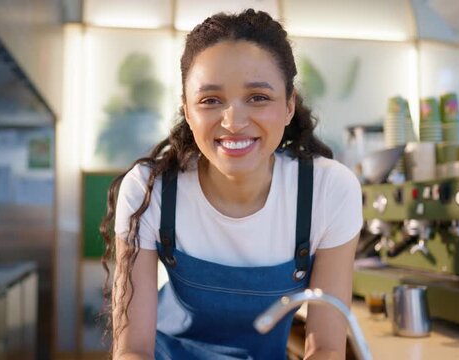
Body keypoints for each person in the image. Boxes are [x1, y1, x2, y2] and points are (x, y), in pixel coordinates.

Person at [100, 9, 363, 360]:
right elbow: (132, 349)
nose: (234, 121)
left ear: (288, 106)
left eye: (258, 97)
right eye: (210, 100)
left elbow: (326, 348)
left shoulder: (328, 191)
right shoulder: (151, 190)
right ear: (188, 111)